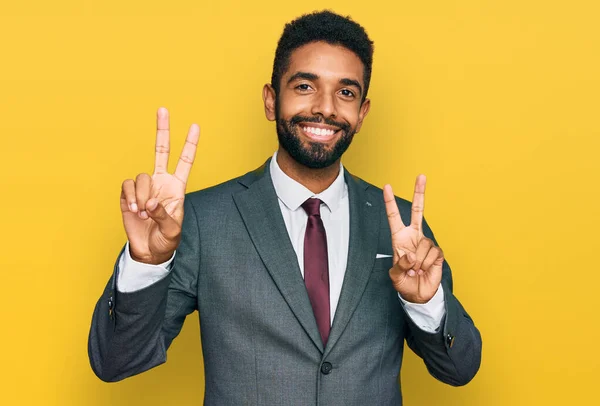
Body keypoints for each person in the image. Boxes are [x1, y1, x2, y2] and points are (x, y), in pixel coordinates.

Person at [88, 10, 482, 405]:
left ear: (362, 114)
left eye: (346, 92)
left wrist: (425, 304)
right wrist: (146, 262)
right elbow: (115, 361)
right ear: (271, 100)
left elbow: (459, 369)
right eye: (306, 86)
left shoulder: (399, 224)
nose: (326, 108)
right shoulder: (203, 221)